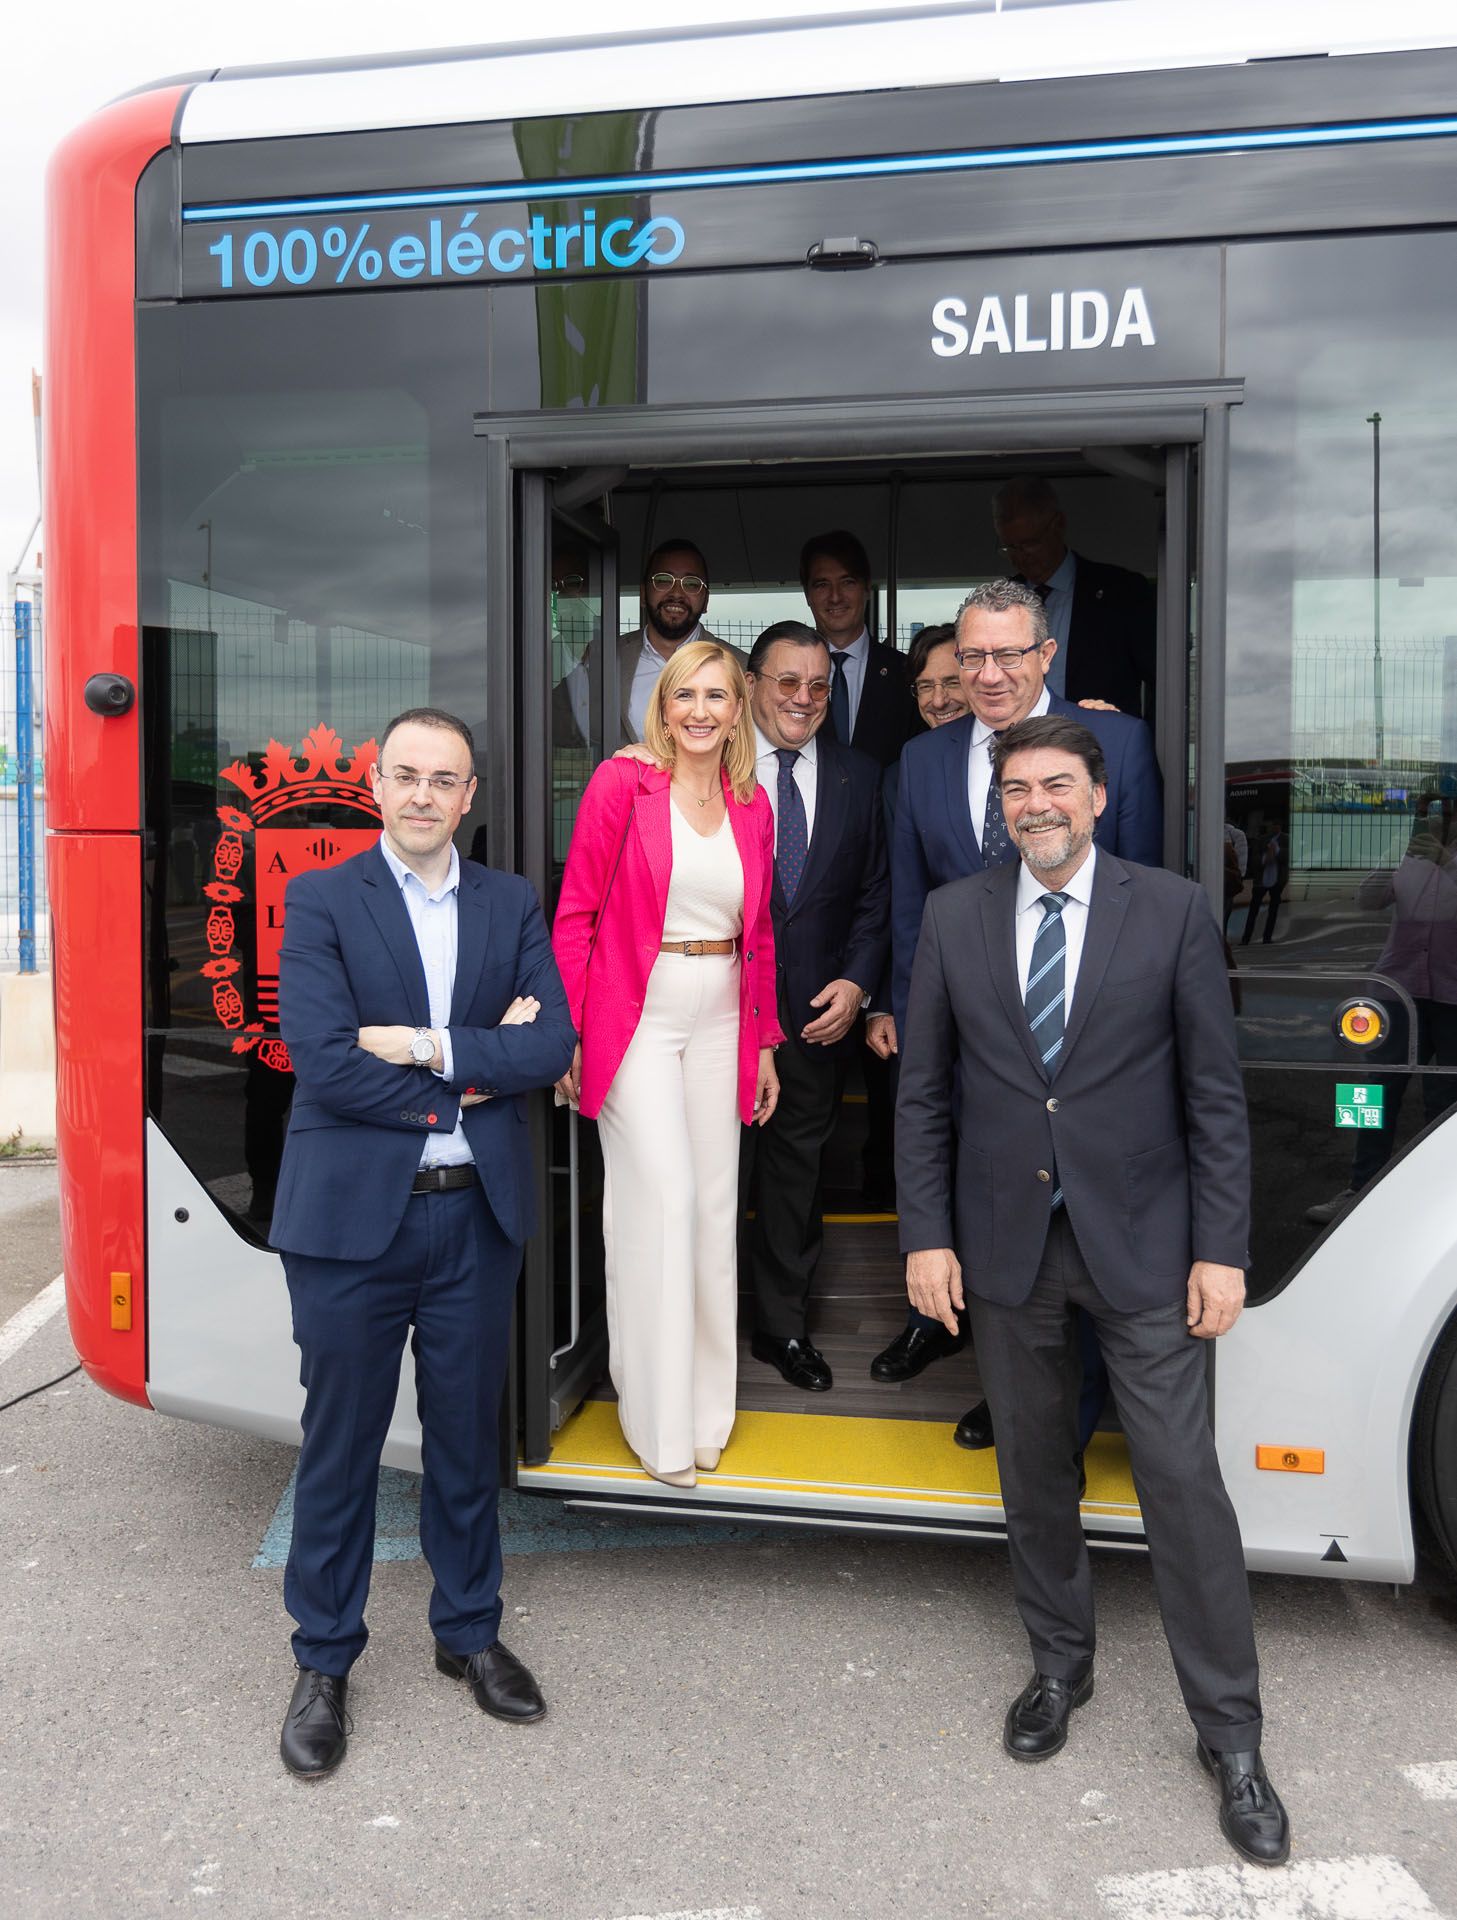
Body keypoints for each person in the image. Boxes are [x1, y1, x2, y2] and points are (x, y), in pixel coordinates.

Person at [897, 713, 1290, 1868]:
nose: (1035, 806)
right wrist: (926, 1237)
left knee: (1178, 1484)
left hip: (1145, 1250)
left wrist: (1220, 1249)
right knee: (1033, 1475)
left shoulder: (1166, 909)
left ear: (1097, 797)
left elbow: (1215, 1098)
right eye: (1015, 789)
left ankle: (1229, 1736)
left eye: (1055, 786)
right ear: (998, 807)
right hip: (1007, 1248)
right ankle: (1057, 1668)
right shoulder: (952, 916)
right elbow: (922, 1095)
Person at [270, 707, 576, 1779]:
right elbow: (320, 1059)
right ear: (375, 784)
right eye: (404, 775)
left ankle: (469, 1635)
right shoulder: (320, 899)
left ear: (469, 797)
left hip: (471, 1217)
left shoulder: (510, 901)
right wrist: (467, 1079)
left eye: (442, 780)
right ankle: (323, 1659)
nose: (421, 795)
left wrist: (430, 1047)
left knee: (462, 1438)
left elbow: (552, 1043)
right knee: (341, 1443)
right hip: (354, 1222)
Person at [872, 580, 1159, 1422]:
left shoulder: (1115, 742)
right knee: (989, 1212)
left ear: (1046, 654)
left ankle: (1080, 1409)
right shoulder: (921, 761)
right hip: (966, 1039)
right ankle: (1012, 1399)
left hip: (1086, 1050)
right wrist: (898, 1004)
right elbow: (906, 895)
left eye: (1007, 654)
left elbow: (1144, 893)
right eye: (971, 656)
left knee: (1083, 1226)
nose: (988, 674)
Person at [552, 640, 782, 1487]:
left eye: (716, 696)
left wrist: (762, 1043)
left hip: (724, 1009)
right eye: (684, 694)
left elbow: (759, 935)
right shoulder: (622, 782)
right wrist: (570, 1034)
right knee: (661, 1204)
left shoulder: (752, 801)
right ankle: (653, 1422)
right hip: (635, 1012)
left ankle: (704, 1413)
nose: (698, 711)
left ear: (737, 709)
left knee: (714, 1212)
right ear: (663, 703)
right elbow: (575, 914)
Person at [741, 621, 890, 1392]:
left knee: (793, 1178)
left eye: (818, 686)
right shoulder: (710, 765)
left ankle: (781, 1329)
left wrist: (859, 984)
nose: (802, 698)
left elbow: (874, 894)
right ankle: (696, 1327)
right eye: (786, 682)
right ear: (752, 684)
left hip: (812, 1017)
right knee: (706, 1179)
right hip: (716, 1015)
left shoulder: (861, 776)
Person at [800, 528, 910, 1207]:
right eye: (819, 583)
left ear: (865, 590)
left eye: (845, 581)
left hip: (886, 903)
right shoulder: (787, 684)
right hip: (810, 915)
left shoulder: (909, 679)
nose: (834, 595)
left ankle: (881, 1199)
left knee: (889, 1083)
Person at [992, 475, 1157, 718]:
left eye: (1030, 543)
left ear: (1058, 524)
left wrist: (1148, 744)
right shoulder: (999, 600)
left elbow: (1161, 681)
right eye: (1010, 548)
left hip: (1100, 746)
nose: (1021, 556)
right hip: (1016, 744)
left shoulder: (1122, 591)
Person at [554, 539, 743, 748]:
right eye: (663, 580)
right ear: (643, 594)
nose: (677, 593)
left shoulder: (740, 666)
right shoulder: (605, 657)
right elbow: (552, 721)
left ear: (706, 600)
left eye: (691, 584)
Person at [1240, 823, 1289, 945]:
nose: (1274, 827)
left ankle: (1267, 937)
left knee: (1273, 910)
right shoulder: (1261, 840)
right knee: (1253, 909)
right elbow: (1254, 860)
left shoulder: (1286, 839)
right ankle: (1246, 938)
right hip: (1261, 881)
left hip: (1277, 880)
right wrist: (1266, 857)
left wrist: (1276, 851)